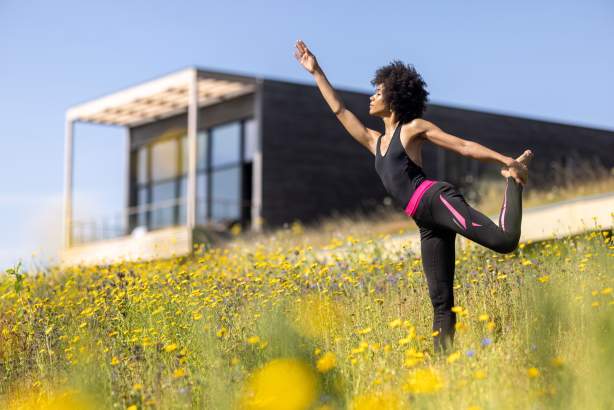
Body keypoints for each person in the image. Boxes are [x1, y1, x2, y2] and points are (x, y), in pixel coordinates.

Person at [294, 39, 533, 354]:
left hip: (435, 199)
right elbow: (340, 110)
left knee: (505, 241)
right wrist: (316, 72)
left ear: (393, 98)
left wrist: (506, 161)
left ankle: (513, 181)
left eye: (377, 92)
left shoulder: (412, 129)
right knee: (440, 300)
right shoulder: (374, 141)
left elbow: (461, 145)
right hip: (425, 221)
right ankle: (441, 369)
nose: (371, 96)